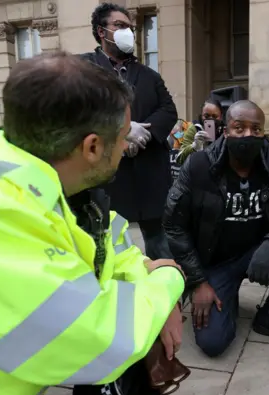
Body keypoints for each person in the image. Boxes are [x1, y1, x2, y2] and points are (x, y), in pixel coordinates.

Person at [0, 53, 185, 395]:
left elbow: (106, 246)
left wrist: (142, 270)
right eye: (122, 138)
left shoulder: (10, 167)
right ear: (91, 147)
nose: (125, 148)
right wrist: (168, 281)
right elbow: (98, 340)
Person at [163, 100, 269, 357]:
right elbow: (173, 225)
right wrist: (198, 281)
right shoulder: (200, 166)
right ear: (225, 130)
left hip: (258, 251)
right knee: (213, 343)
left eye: (255, 129)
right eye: (239, 128)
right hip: (215, 261)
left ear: (263, 133)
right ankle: (226, 295)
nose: (248, 134)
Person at [81, 2, 178, 261]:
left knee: (159, 242)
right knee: (111, 243)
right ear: (102, 31)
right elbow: (75, 111)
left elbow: (168, 110)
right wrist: (121, 131)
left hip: (149, 173)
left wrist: (143, 134)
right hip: (109, 176)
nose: (128, 32)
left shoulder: (148, 75)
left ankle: (169, 292)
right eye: (120, 26)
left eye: (130, 28)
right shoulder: (82, 70)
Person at [177, 99, 225, 165]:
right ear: (201, 116)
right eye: (206, 116)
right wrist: (194, 146)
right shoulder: (194, 129)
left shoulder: (225, 131)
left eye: (215, 116)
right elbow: (180, 160)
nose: (210, 119)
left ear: (221, 117)